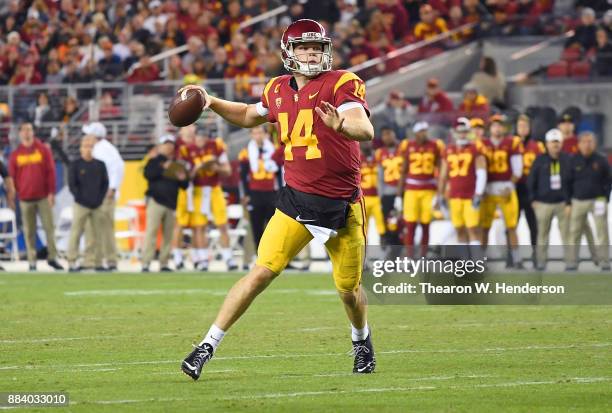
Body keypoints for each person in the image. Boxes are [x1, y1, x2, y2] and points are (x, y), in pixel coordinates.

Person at [179, 19, 376, 380]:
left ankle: (361, 339)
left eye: (317, 47)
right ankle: (206, 345)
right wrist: (210, 101)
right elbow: (248, 115)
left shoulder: (343, 82)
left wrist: (342, 127)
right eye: (303, 47)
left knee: (348, 291)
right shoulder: (277, 89)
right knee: (259, 274)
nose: (312, 53)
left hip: (342, 206)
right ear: (289, 52)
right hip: (296, 201)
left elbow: (364, 127)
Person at [8, 123, 63, 271]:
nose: (27, 133)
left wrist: (51, 192)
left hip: (43, 197)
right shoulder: (16, 154)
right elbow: (12, 178)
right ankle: (32, 261)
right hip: (25, 198)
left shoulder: (43, 150)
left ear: (33, 132)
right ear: (20, 133)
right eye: (24, 130)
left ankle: (52, 257)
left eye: (29, 130)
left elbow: (51, 171)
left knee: (49, 228)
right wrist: (14, 196)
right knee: (29, 231)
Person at [479, 115, 524, 268]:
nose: (497, 128)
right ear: (489, 128)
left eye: (500, 125)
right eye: (494, 125)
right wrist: (481, 188)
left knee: (511, 227)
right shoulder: (481, 144)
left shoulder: (512, 143)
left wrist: (510, 186)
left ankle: (517, 259)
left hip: (506, 187)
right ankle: (480, 261)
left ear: (504, 128)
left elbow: (518, 169)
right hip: (488, 189)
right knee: (484, 228)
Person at [437, 117, 487, 254]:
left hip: (470, 196)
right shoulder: (448, 150)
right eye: (460, 132)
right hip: (454, 196)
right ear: (454, 133)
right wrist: (440, 195)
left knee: (473, 229)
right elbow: (443, 175)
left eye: (465, 131)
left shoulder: (475, 149)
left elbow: (482, 173)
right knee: (459, 229)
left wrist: (478, 193)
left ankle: (477, 264)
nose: (462, 135)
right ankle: (464, 264)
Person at [186, 131, 234, 271]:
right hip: (198, 191)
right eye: (198, 138)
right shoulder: (188, 150)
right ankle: (203, 259)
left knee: (222, 224)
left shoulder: (216, 147)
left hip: (214, 189)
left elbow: (228, 171)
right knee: (199, 226)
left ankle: (228, 258)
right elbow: (186, 176)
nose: (200, 140)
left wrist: (216, 168)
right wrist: (197, 169)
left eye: (203, 137)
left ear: (207, 138)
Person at [396, 121, 445, 257]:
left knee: (425, 224)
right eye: (421, 131)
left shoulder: (435, 145)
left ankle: (423, 255)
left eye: (425, 130)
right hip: (411, 189)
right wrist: (399, 196)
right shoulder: (408, 145)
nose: (424, 133)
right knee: (410, 225)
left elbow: (441, 170)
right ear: (415, 133)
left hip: (429, 189)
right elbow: (403, 171)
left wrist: (439, 194)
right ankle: (410, 256)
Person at [142, 135, 189, 272]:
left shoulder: (177, 163)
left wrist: (182, 178)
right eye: (166, 144)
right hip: (156, 201)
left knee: (168, 235)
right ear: (160, 146)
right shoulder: (154, 161)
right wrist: (164, 168)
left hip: (171, 203)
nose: (168, 147)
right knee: (152, 232)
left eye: (171, 144)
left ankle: (164, 262)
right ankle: (146, 262)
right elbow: (148, 175)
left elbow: (184, 185)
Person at [82, 122, 125, 271]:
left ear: (94, 136)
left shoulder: (104, 149)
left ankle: (110, 260)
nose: (86, 137)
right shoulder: (102, 148)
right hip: (99, 194)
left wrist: (112, 188)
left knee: (104, 228)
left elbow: (118, 167)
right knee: (97, 228)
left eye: (89, 134)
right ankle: (98, 260)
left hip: (105, 195)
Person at [565, 132, 611, 271]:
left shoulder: (601, 159)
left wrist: (605, 198)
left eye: (590, 141)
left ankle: (604, 261)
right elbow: (567, 182)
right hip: (578, 201)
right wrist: (568, 202)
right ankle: (572, 262)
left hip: (597, 201)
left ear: (595, 143)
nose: (587, 144)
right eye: (584, 142)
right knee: (574, 232)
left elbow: (608, 180)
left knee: (602, 231)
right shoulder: (572, 160)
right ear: (578, 144)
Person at [527, 129, 571, 271]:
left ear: (561, 143)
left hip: (562, 203)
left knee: (566, 234)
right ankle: (541, 261)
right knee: (542, 234)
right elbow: (531, 180)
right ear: (547, 144)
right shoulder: (539, 160)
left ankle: (570, 262)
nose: (555, 145)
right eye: (552, 142)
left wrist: (569, 201)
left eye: (557, 142)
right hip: (543, 203)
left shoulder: (567, 159)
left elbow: (572, 181)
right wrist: (533, 199)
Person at [66, 136, 109, 272]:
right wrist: (81, 199)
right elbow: (72, 185)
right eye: (85, 146)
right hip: (81, 204)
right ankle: (72, 261)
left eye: (91, 146)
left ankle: (97, 262)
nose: (88, 149)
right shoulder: (76, 165)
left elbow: (105, 184)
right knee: (76, 232)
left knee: (98, 234)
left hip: (97, 205)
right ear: (81, 149)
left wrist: (99, 200)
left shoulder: (100, 164)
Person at [238, 125, 280, 253]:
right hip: (254, 193)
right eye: (255, 133)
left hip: (271, 193)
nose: (258, 136)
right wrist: (245, 194)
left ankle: (276, 255)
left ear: (265, 134)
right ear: (251, 135)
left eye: (260, 132)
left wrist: (280, 193)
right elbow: (243, 176)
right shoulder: (246, 152)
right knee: (256, 227)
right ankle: (259, 256)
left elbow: (280, 173)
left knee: (275, 227)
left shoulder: (274, 149)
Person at [516, 114, 544, 251]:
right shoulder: (511, 144)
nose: (522, 129)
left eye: (525, 126)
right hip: (515, 188)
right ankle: (512, 255)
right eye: (520, 126)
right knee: (511, 224)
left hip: (531, 189)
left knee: (533, 224)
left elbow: (542, 168)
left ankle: (536, 253)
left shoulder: (537, 146)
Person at [374, 127, 402, 246]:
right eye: (384, 135)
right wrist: (381, 196)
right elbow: (379, 176)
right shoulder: (380, 152)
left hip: (403, 192)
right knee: (390, 223)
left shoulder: (403, 149)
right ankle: (393, 250)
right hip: (388, 193)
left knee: (404, 222)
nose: (387, 137)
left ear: (394, 134)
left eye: (389, 133)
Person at [360, 141, 385, 240]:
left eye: (368, 142)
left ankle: (384, 250)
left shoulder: (378, 157)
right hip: (363, 198)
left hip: (377, 197)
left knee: (382, 226)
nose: (366, 144)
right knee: (363, 228)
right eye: (364, 142)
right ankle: (364, 253)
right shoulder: (357, 157)